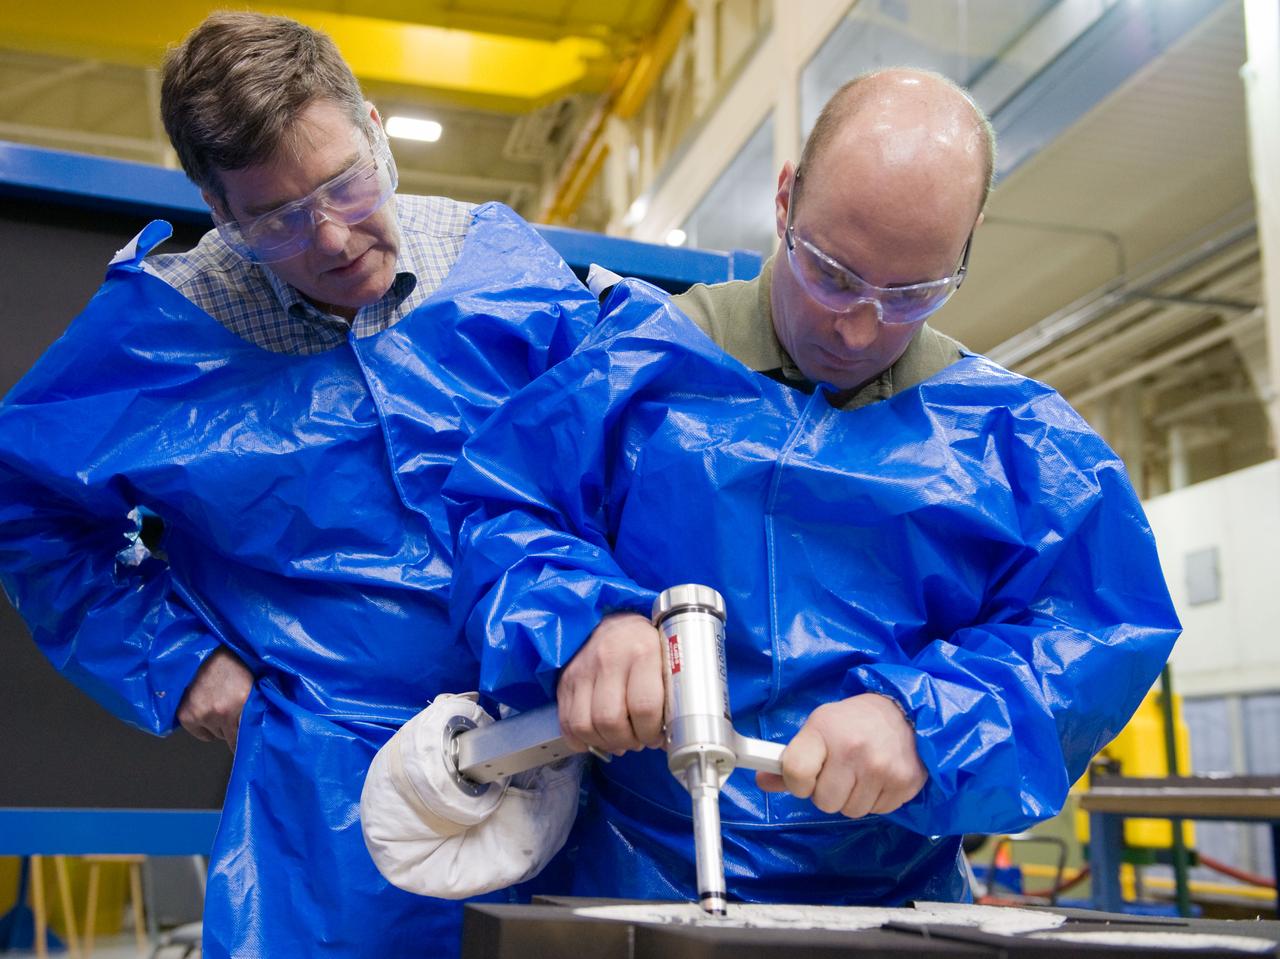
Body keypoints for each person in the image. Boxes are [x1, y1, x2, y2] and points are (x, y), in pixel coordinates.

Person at [445, 69, 1181, 905]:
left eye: (910, 294)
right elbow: (500, 507)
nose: (858, 326)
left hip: (894, 903)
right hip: (625, 878)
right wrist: (586, 618)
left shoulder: (1018, 444)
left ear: (967, 246)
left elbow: (1096, 629)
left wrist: (929, 720)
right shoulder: (634, 367)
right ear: (786, 198)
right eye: (832, 271)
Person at [0, 12, 597, 957]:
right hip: (328, 808)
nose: (332, 238)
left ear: (372, 125)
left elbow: (617, 471)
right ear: (220, 210)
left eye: (345, 183)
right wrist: (177, 658)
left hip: (558, 753)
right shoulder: (164, 329)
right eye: (277, 219)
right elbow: (26, 504)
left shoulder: (499, 267)